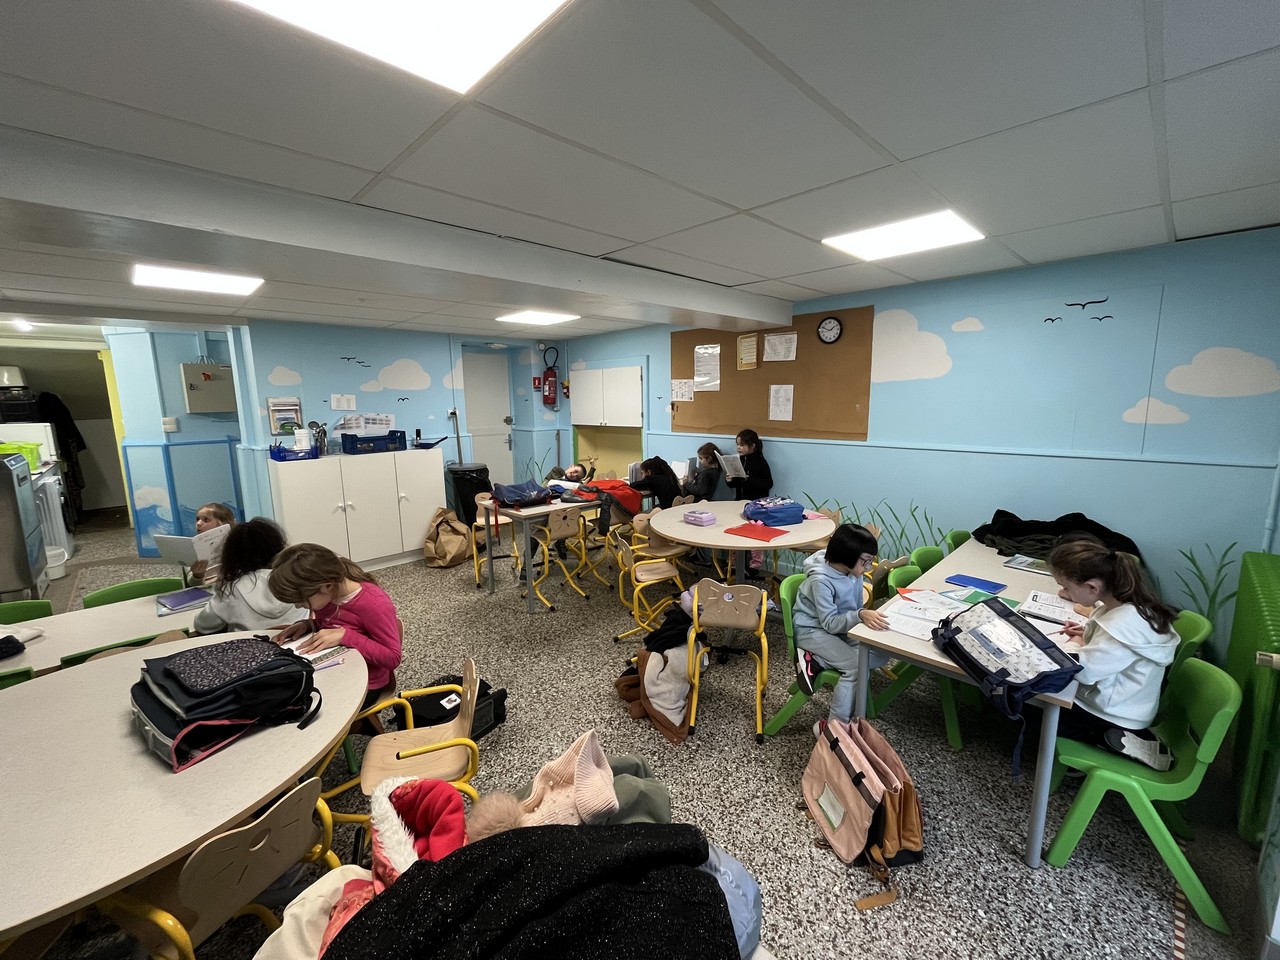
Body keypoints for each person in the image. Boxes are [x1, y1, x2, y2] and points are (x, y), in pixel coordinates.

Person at [1047, 539, 1178, 766]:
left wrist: (1076, 642)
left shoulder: (1120, 628)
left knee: (1029, 706)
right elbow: (1110, 647)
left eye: (1066, 587)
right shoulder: (1129, 606)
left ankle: (1112, 740)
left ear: (1092, 587)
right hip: (1129, 706)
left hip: (1113, 716)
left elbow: (1081, 671)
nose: (1064, 592)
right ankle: (1115, 737)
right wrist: (1088, 634)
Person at [269, 543, 403, 705]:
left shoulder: (374, 604)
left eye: (301, 600)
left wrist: (346, 636)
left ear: (327, 586)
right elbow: (329, 624)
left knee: (301, 708)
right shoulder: (328, 596)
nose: (298, 606)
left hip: (366, 684)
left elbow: (392, 658)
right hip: (333, 670)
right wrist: (307, 625)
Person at [791, 524, 889, 729]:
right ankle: (834, 729)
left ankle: (817, 661)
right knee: (856, 667)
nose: (868, 567)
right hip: (811, 631)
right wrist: (859, 615)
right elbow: (829, 623)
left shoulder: (852, 572)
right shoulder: (821, 581)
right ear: (848, 556)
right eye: (865, 561)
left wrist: (860, 616)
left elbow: (854, 608)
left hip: (839, 627)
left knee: (882, 652)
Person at [192, 518, 309, 635]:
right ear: (278, 545)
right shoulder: (298, 578)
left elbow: (203, 625)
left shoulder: (231, 589)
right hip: (299, 642)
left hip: (252, 644)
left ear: (232, 554)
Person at [724, 429, 773, 578]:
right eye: (737, 445)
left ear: (752, 446)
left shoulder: (760, 462)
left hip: (756, 505)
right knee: (735, 532)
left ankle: (754, 565)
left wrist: (748, 478)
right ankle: (734, 563)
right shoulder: (739, 460)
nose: (738, 448)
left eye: (742, 445)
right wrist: (730, 480)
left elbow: (768, 484)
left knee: (755, 535)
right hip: (740, 502)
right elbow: (735, 484)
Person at [187, 501, 236, 584]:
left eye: (206, 520)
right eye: (197, 519)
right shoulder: (194, 549)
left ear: (222, 524)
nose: (198, 523)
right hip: (208, 590)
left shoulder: (236, 546)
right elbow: (191, 584)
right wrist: (197, 575)